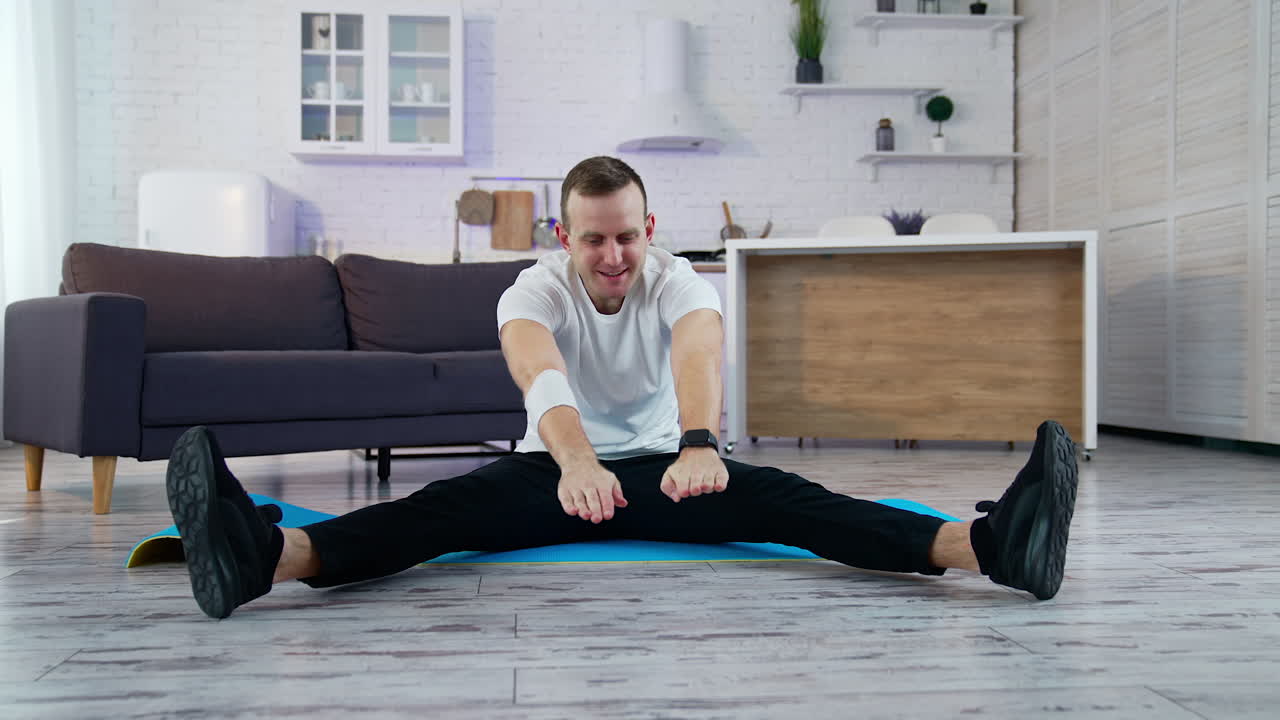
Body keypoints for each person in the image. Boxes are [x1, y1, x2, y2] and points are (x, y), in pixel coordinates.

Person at [164, 156, 1079, 619]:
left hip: (672, 470)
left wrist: (701, 444)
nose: (613, 257)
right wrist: (571, 462)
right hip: (555, 475)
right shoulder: (534, 286)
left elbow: (699, 347)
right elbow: (538, 368)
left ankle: (998, 548)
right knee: (433, 514)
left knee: (802, 504)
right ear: (567, 235)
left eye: (628, 237)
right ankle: (262, 560)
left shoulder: (677, 276)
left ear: (651, 228)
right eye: (594, 239)